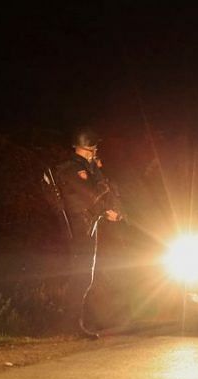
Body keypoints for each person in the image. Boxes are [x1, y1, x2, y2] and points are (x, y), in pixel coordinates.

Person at [53, 127, 123, 339]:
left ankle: (75, 323)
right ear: (88, 147)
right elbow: (89, 195)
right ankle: (70, 325)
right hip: (78, 226)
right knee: (81, 275)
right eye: (95, 147)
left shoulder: (87, 168)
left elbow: (103, 194)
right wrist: (99, 181)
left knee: (86, 276)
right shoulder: (71, 169)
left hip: (88, 224)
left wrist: (109, 210)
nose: (97, 151)